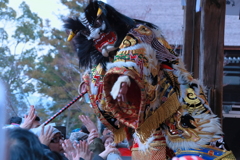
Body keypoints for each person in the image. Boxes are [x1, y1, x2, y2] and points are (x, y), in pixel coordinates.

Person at [63, 1, 233, 159]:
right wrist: (91, 83)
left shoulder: (140, 33)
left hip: (176, 95)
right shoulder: (108, 61)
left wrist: (123, 79)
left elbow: (139, 55)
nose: (96, 35)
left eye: (99, 27)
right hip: (147, 116)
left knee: (198, 143)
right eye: (88, 34)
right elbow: (101, 73)